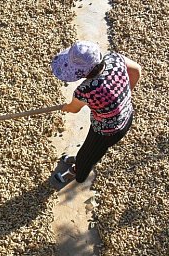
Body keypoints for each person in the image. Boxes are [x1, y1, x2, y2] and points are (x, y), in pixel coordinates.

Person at [51, 40, 142, 183]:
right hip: (127, 113)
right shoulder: (115, 59)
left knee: (89, 155)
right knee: (89, 149)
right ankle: (82, 159)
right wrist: (125, 93)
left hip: (109, 130)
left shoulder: (85, 90)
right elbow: (136, 69)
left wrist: (66, 107)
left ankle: (77, 172)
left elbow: (74, 109)